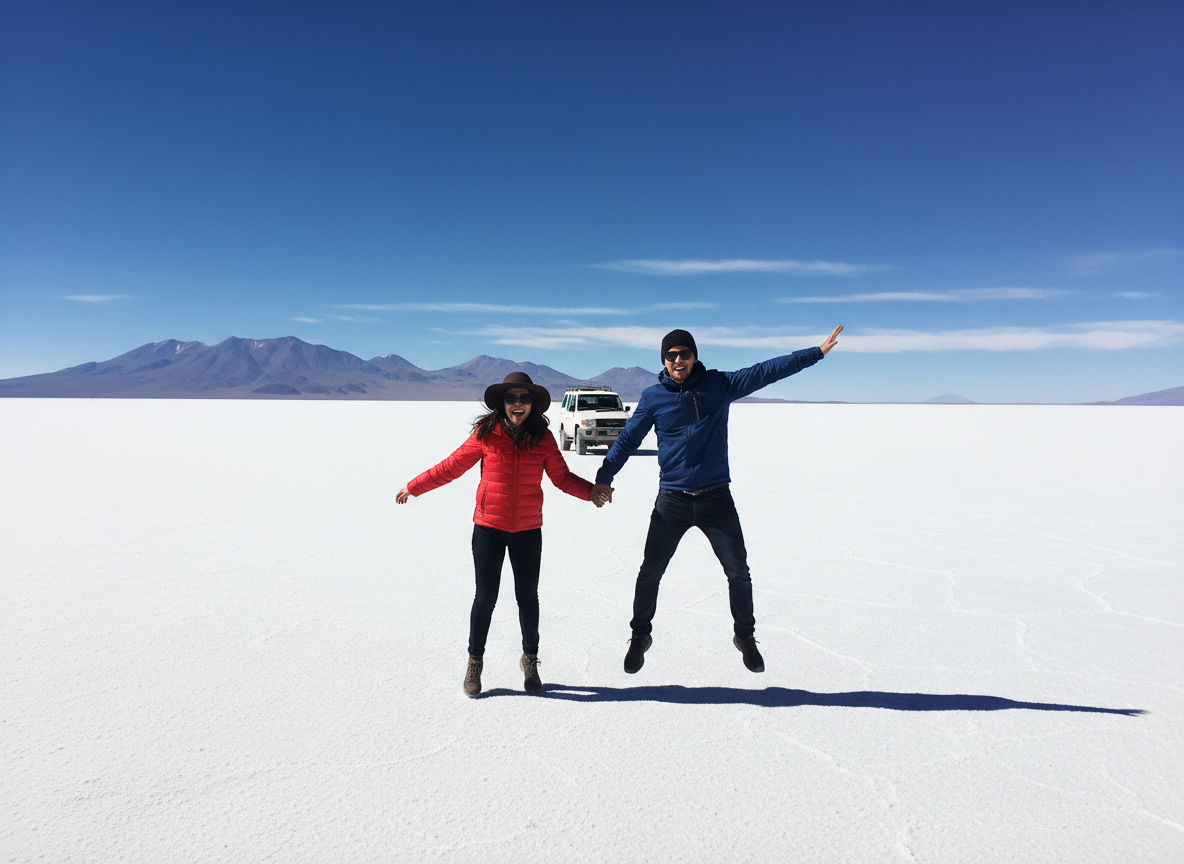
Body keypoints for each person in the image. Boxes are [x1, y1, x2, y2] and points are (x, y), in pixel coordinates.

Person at [590, 326, 843, 674]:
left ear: (694, 356)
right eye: (671, 355)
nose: (678, 360)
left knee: (739, 572)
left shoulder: (718, 385)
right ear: (664, 361)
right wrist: (604, 478)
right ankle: (639, 637)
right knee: (650, 573)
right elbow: (629, 438)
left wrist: (815, 352)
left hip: (715, 499)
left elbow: (766, 371)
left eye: (684, 353)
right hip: (672, 500)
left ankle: (745, 637)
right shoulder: (653, 397)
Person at [397, 372, 600, 698]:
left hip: (528, 529)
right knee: (485, 597)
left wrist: (591, 492)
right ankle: (474, 662)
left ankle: (530, 659)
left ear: (533, 404)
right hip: (489, 528)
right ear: (502, 403)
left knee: (527, 598)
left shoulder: (544, 439)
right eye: (511, 398)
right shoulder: (486, 435)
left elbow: (561, 478)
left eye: (524, 398)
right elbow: (451, 467)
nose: (517, 404)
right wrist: (414, 486)